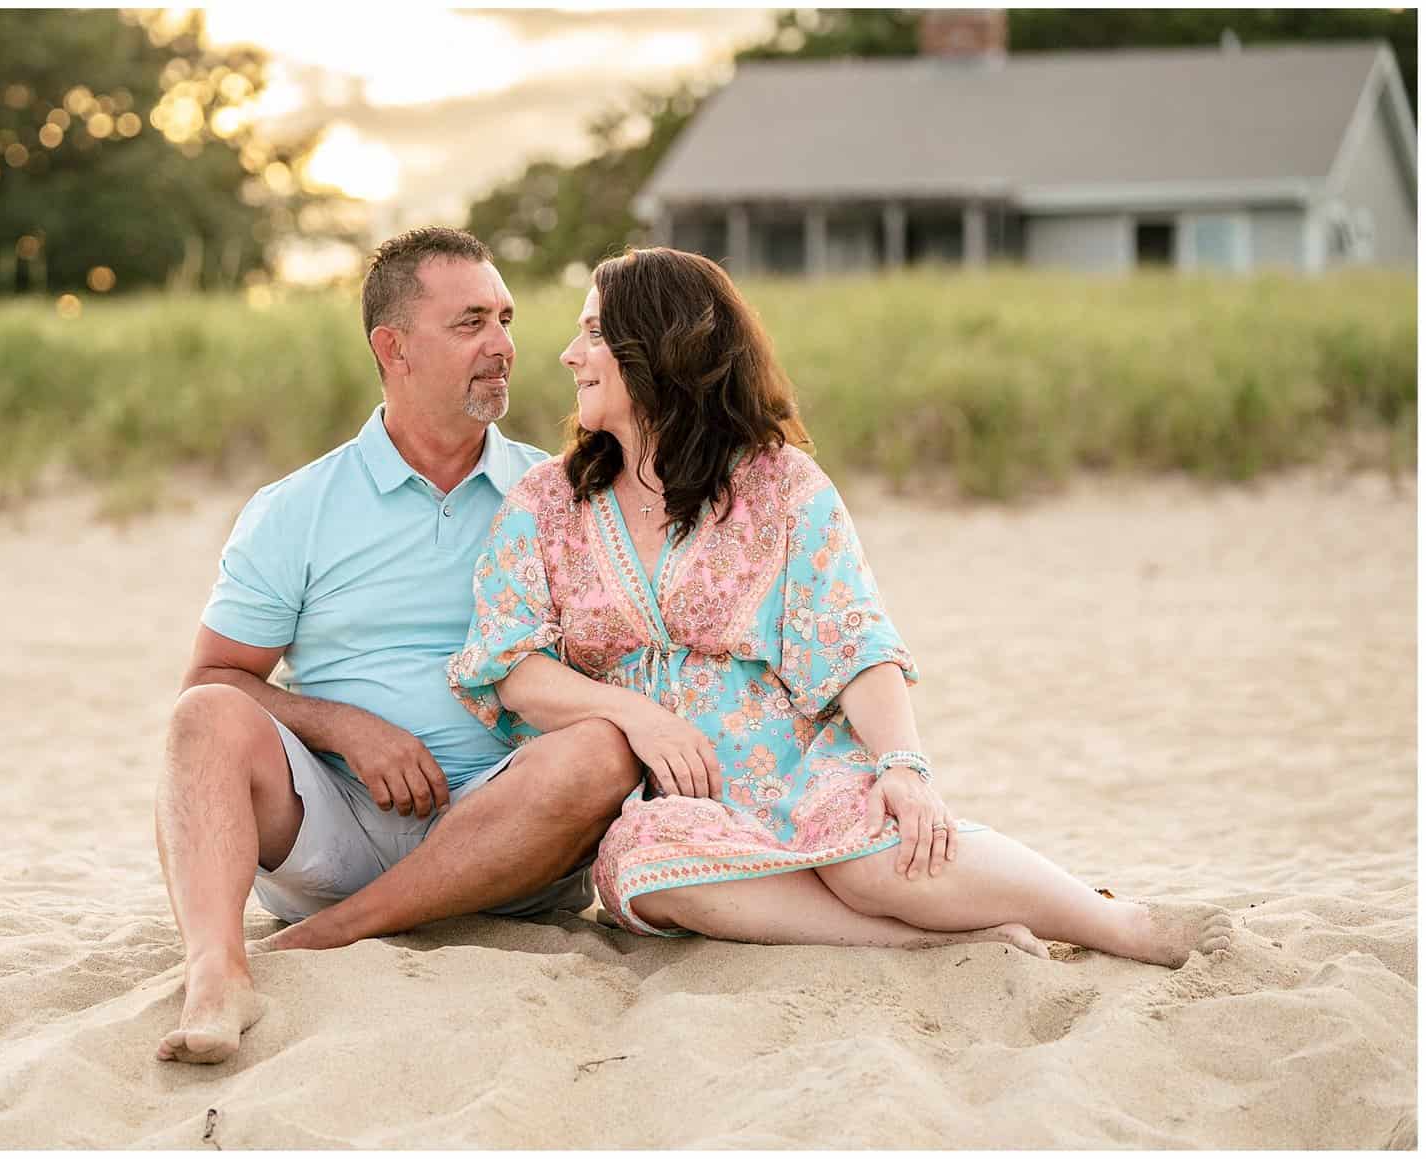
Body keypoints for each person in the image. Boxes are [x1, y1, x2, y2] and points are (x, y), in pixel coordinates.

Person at [447, 246, 1233, 965]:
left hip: (797, 760)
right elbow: (511, 665)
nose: (569, 354)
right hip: (671, 799)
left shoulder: (779, 485)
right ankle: (934, 940)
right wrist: (634, 716)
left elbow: (852, 635)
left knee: (873, 859)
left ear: (655, 348)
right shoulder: (548, 502)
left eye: (593, 332)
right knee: (646, 870)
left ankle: (1115, 923)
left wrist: (902, 766)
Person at [153, 228, 642, 1066]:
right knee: (202, 716)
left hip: (512, 837)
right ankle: (216, 970)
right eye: (470, 322)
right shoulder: (298, 508)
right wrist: (347, 727)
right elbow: (218, 676)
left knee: (601, 750)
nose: (503, 345)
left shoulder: (560, 492)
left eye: (505, 317)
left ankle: (341, 933)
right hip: (337, 824)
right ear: (394, 347)